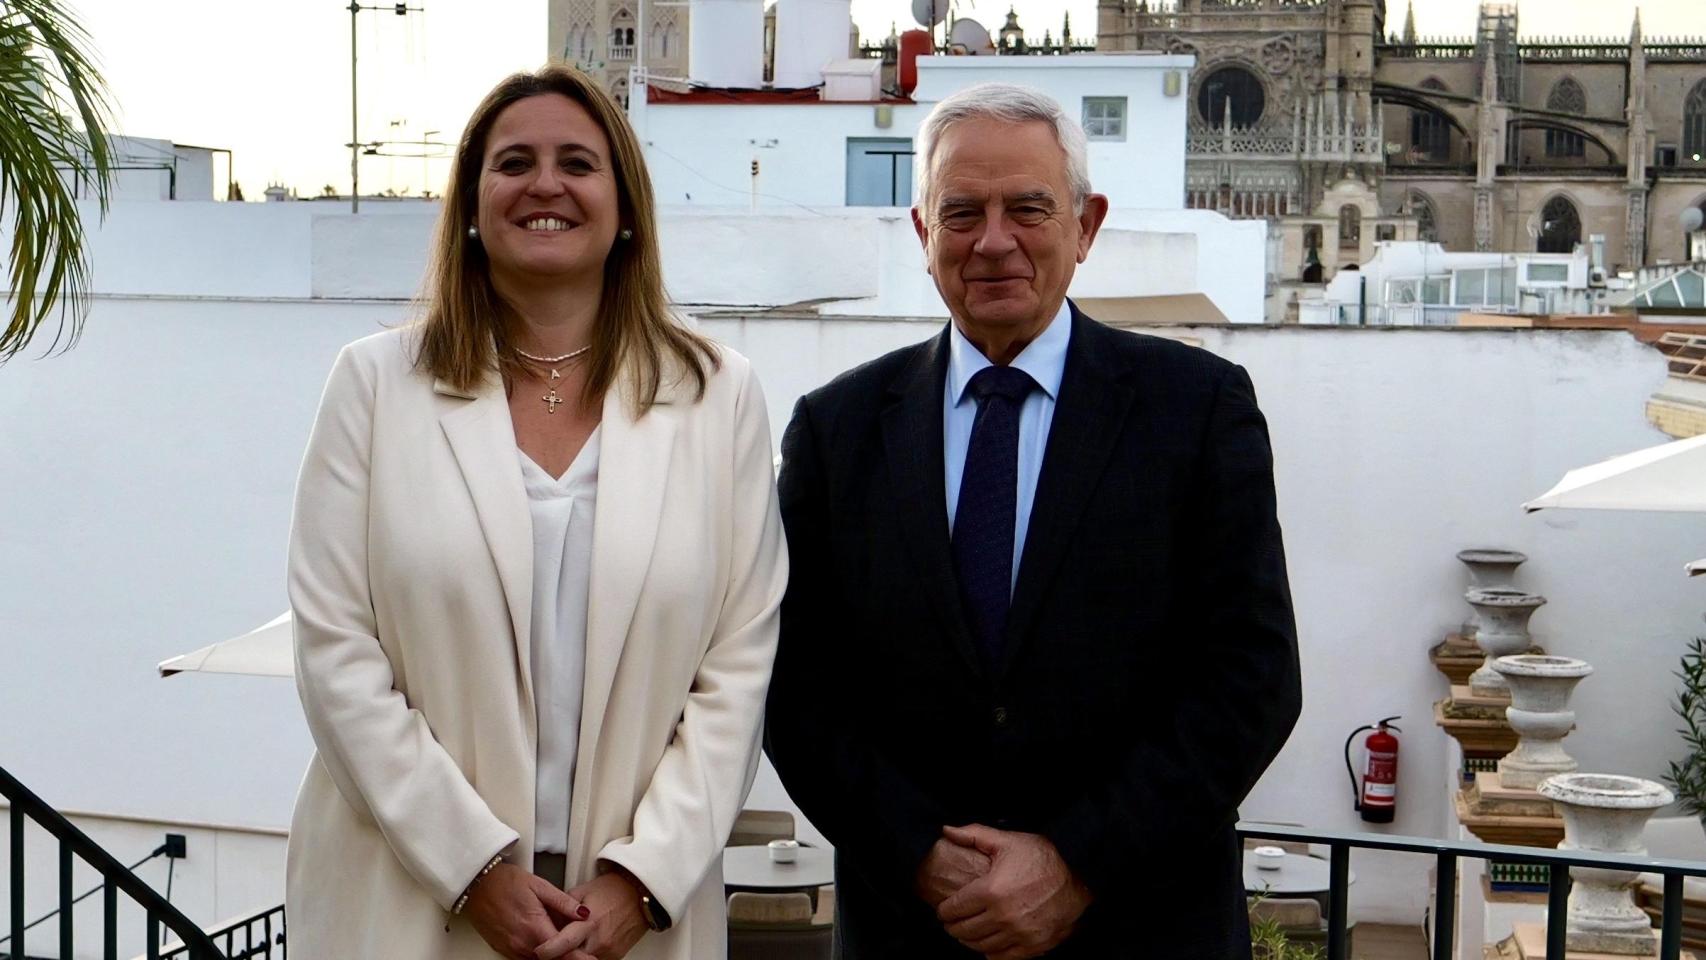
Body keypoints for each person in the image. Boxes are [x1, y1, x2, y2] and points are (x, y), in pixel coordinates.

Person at [765, 83, 1301, 960]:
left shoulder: (1197, 409)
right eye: (963, 212)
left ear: (1086, 226)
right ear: (921, 232)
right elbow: (794, 685)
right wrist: (917, 853)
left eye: (1029, 208)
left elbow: (1253, 677)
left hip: (1142, 927)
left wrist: (1077, 863)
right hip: (914, 930)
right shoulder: (837, 429)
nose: (994, 240)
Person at [286, 66, 786, 960]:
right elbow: (335, 653)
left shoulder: (719, 397)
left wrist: (643, 881)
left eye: (578, 163)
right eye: (513, 162)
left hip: (632, 923)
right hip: (408, 903)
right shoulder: (373, 388)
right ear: (472, 207)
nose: (546, 184)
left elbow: (738, 667)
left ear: (624, 206)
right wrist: (473, 870)